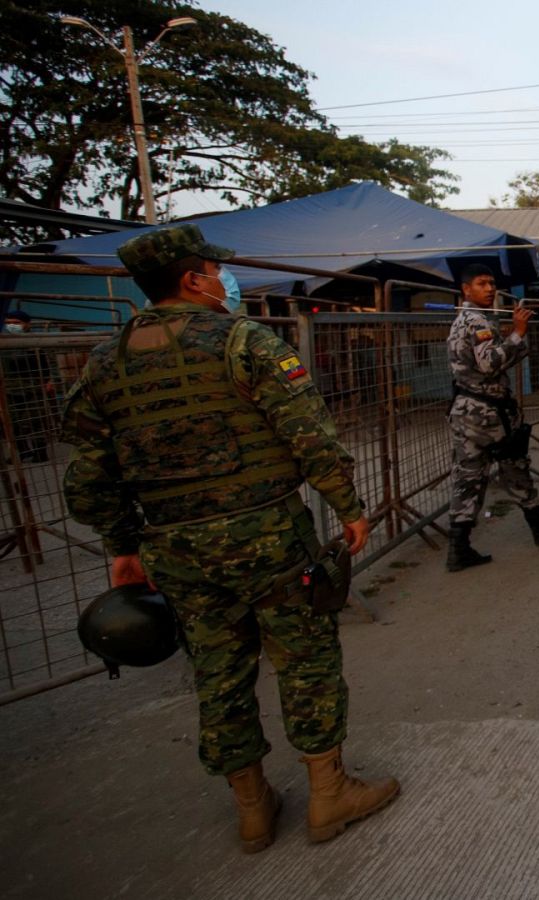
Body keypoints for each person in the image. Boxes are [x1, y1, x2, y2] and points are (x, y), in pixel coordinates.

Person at [59, 224, 397, 852]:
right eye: (214, 271)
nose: (222, 280)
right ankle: (329, 796)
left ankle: (252, 810)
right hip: (267, 535)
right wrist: (348, 507)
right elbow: (309, 435)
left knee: (217, 672)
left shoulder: (106, 362)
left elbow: (89, 473)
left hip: (176, 549)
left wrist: (123, 546)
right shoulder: (245, 342)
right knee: (306, 660)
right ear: (192, 280)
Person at [445, 263, 539, 571]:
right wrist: (518, 334)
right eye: (482, 283)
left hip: (467, 410)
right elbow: (490, 364)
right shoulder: (477, 322)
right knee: (514, 464)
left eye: (491, 284)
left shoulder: (464, 320)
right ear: (466, 289)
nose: (489, 288)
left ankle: (459, 548)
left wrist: (512, 338)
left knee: (468, 478)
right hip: (487, 413)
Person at [2, 309, 53, 462]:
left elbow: (47, 363)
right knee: (12, 422)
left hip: (33, 387)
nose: (11, 326)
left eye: (16, 323)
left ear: (26, 324)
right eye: (8, 323)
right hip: (9, 388)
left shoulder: (35, 341)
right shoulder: (3, 340)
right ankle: (22, 450)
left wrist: (49, 380)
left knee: (36, 420)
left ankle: (40, 452)